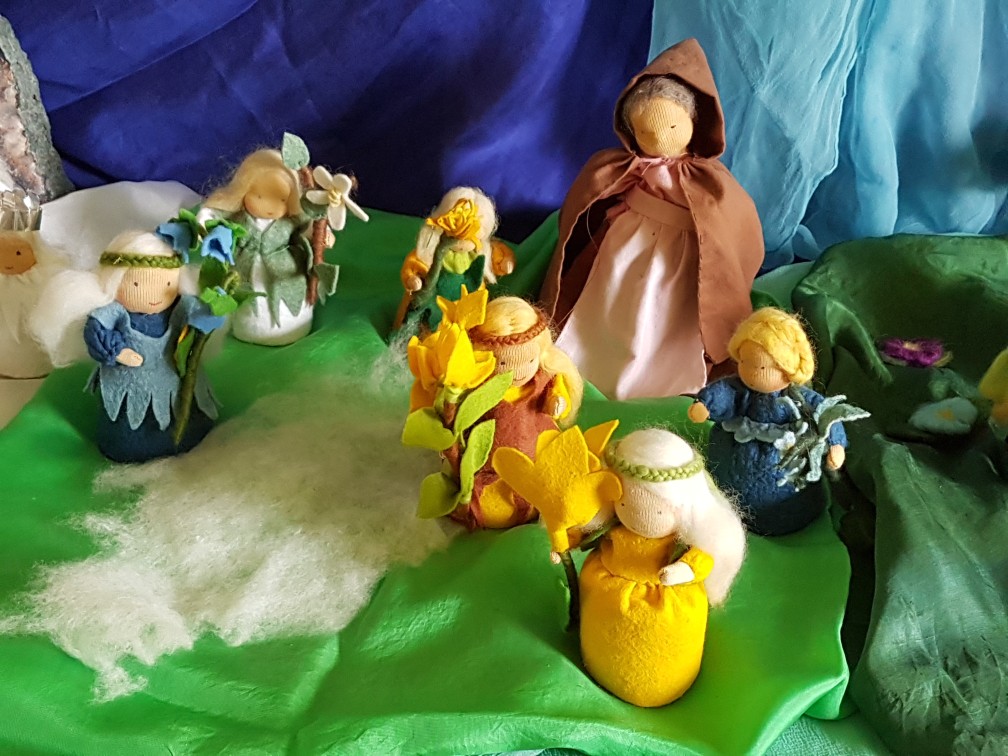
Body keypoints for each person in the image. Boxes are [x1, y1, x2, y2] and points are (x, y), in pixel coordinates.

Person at [541, 38, 764, 400]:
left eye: (671, 128)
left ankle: (661, 375)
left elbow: (731, 223)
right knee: (613, 299)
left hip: (678, 253)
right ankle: (591, 358)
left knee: (663, 312)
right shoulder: (626, 164)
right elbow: (597, 190)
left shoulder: (708, 180)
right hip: (628, 239)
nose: (658, 139)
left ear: (692, 122)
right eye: (645, 131)